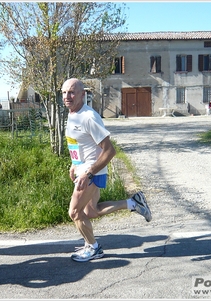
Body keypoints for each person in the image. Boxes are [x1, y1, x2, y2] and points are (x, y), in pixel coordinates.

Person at [62, 78, 152, 262]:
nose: (67, 96)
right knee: (91, 212)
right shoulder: (73, 113)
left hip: (90, 173)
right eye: (64, 92)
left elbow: (110, 150)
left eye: (71, 92)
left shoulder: (88, 117)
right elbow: (78, 143)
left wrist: (88, 173)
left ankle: (93, 247)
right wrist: (74, 163)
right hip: (83, 169)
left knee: (74, 212)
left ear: (82, 94)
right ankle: (133, 203)